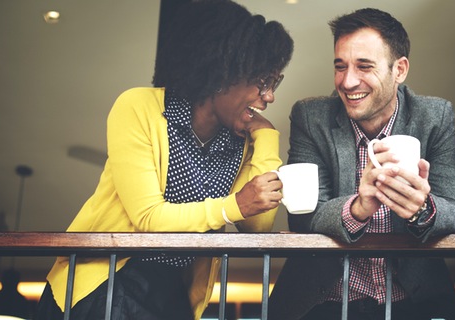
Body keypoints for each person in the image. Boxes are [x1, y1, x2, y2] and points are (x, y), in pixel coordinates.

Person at [35, 1, 294, 319]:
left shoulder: (238, 140)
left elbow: (257, 225)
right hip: (107, 280)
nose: (269, 96)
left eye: (274, 83)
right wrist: (233, 205)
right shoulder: (139, 107)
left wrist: (267, 138)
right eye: (263, 82)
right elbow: (148, 218)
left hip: (171, 290)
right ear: (222, 75)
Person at [268, 8, 455, 319]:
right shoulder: (311, 116)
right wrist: (358, 208)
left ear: (399, 69)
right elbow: (303, 217)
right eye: (340, 66)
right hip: (324, 301)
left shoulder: (434, 116)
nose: (348, 82)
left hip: (413, 301)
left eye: (364, 67)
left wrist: (422, 208)